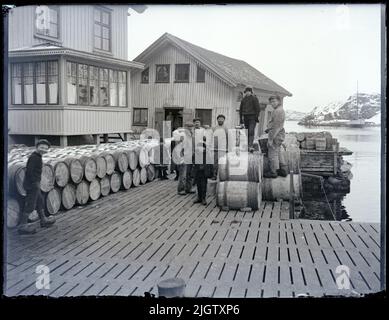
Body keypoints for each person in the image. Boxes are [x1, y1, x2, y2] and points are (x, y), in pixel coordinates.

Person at [18, 139, 56, 234]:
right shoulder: (34, 157)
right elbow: (29, 172)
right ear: (37, 147)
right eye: (41, 147)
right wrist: (34, 183)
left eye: (45, 148)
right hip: (32, 184)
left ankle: (43, 220)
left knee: (39, 201)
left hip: (35, 184)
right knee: (31, 204)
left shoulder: (38, 156)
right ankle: (22, 226)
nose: (43, 149)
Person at [264, 95, 288, 178]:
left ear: (279, 101)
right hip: (279, 134)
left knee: (272, 153)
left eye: (274, 101)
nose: (272, 103)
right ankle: (283, 171)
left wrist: (270, 139)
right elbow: (277, 124)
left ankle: (273, 172)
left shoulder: (277, 111)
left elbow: (276, 127)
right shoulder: (280, 110)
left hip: (276, 135)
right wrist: (269, 128)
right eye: (271, 102)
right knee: (278, 152)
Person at [175, 122, 195, 195]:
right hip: (183, 157)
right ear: (185, 127)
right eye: (188, 126)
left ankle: (188, 188)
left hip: (190, 156)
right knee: (183, 174)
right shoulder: (182, 134)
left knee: (189, 174)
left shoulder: (191, 135)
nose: (190, 128)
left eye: (191, 127)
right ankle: (181, 189)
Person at [212, 114, 228, 180]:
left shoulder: (226, 128)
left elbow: (228, 138)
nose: (220, 120)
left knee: (222, 163)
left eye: (222, 119)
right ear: (217, 120)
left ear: (224, 120)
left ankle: (222, 176)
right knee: (215, 163)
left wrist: (227, 147)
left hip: (223, 149)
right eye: (219, 119)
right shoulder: (214, 128)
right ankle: (214, 175)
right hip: (215, 148)